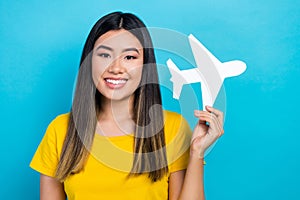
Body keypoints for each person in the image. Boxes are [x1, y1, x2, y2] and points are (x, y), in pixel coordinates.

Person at [30, 11, 224, 200]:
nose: (116, 68)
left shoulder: (173, 128)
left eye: (129, 57)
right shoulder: (60, 130)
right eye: (104, 55)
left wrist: (197, 153)